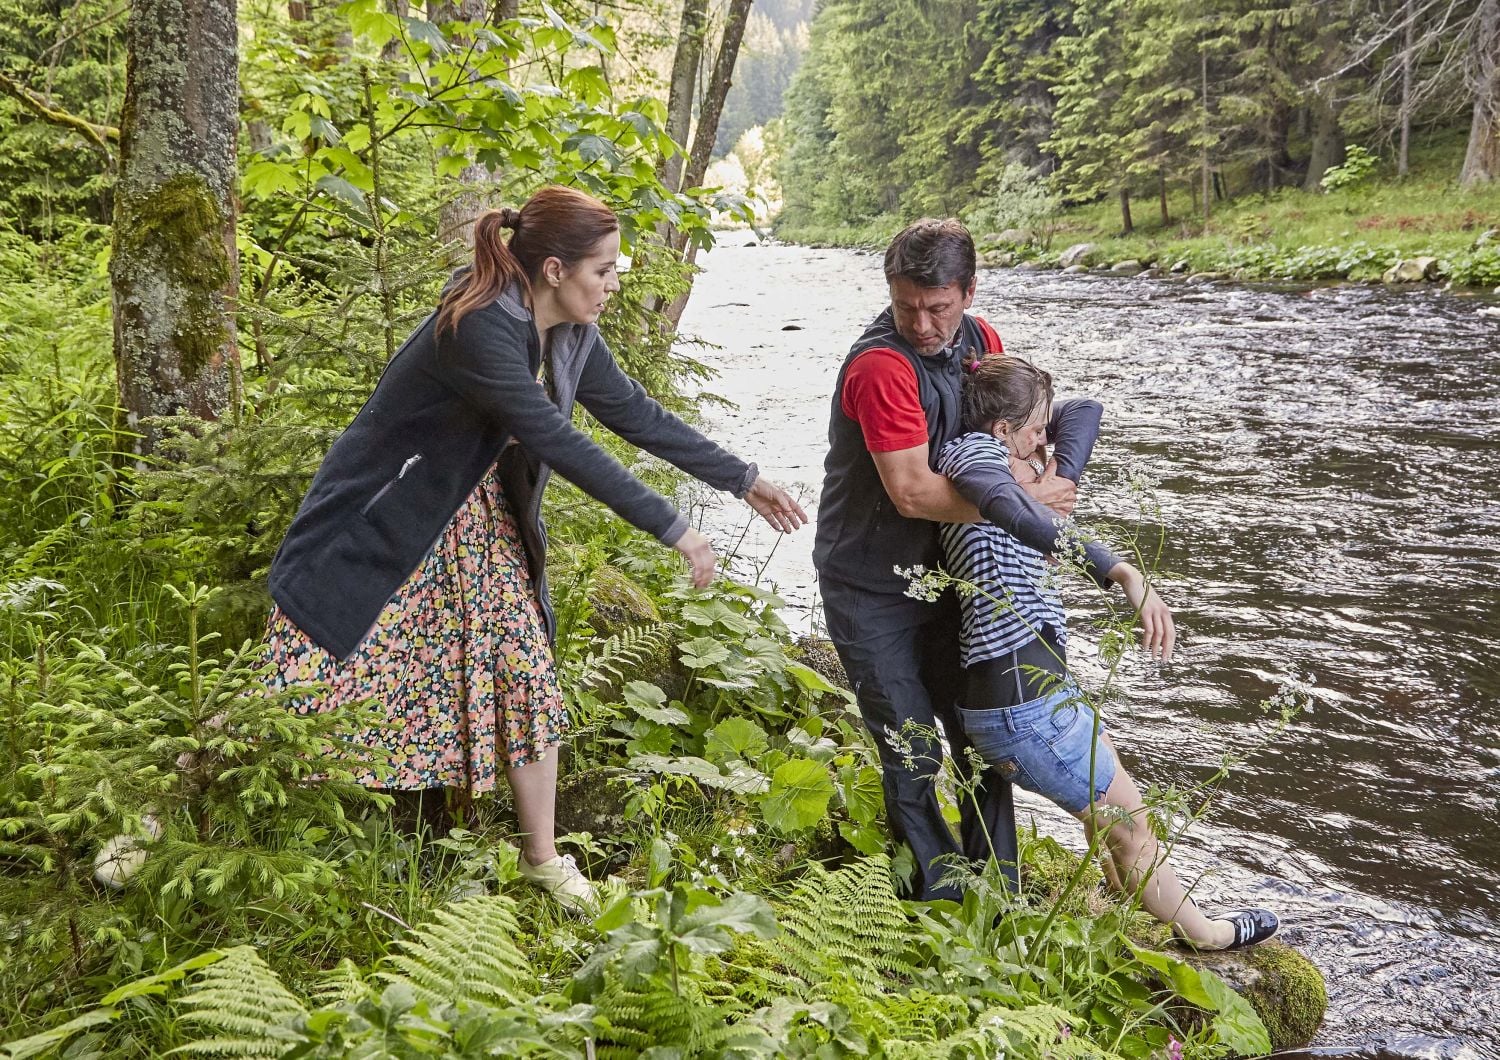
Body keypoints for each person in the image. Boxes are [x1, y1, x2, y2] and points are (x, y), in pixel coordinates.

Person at [260, 185, 807, 913]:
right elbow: (555, 438)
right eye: (603, 270)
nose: (613, 284)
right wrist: (675, 528)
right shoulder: (481, 323)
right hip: (385, 520)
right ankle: (173, 799)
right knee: (306, 668)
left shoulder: (572, 329)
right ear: (554, 269)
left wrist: (741, 479)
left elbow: (632, 412)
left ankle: (541, 859)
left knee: (528, 673)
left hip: (478, 524)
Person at [936, 354, 1279, 949]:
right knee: (1132, 828)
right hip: (1024, 708)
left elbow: (1082, 410)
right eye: (1034, 429)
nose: (1045, 438)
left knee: (1121, 820)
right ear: (1002, 432)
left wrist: (1051, 473)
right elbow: (1012, 508)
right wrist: (1120, 571)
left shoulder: (1010, 464)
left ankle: (1131, 916)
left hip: (1036, 698)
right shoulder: (976, 459)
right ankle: (1208, 936)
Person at [812, 217, 1103, 901]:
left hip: (950, 578)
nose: (921, 322)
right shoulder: (881, 366)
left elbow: (1027, 430)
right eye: (905, 304)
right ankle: (936, 903)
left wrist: (1052, 477)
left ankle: (995, 894)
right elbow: (912, 492)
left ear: (968, 292)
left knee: (978, 742)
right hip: (868, 583)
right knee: (912, 746)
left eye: (937, 307)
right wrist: (1027, 499)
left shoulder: (984, 343)